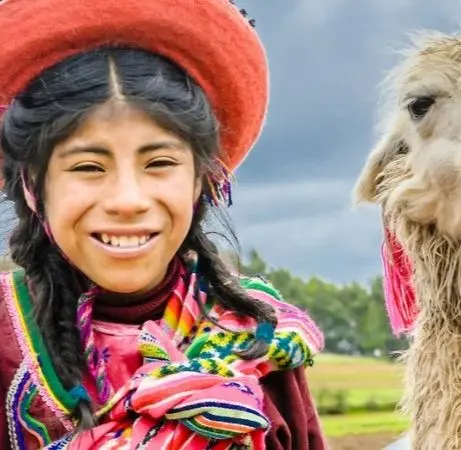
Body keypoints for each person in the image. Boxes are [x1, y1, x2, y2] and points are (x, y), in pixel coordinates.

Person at [0, 0, 327, 448]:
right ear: (34, 186)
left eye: (158, 162)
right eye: (88, 167)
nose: (128, 200)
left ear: (201, 180)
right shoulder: (5, 344)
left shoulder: (258, 339)